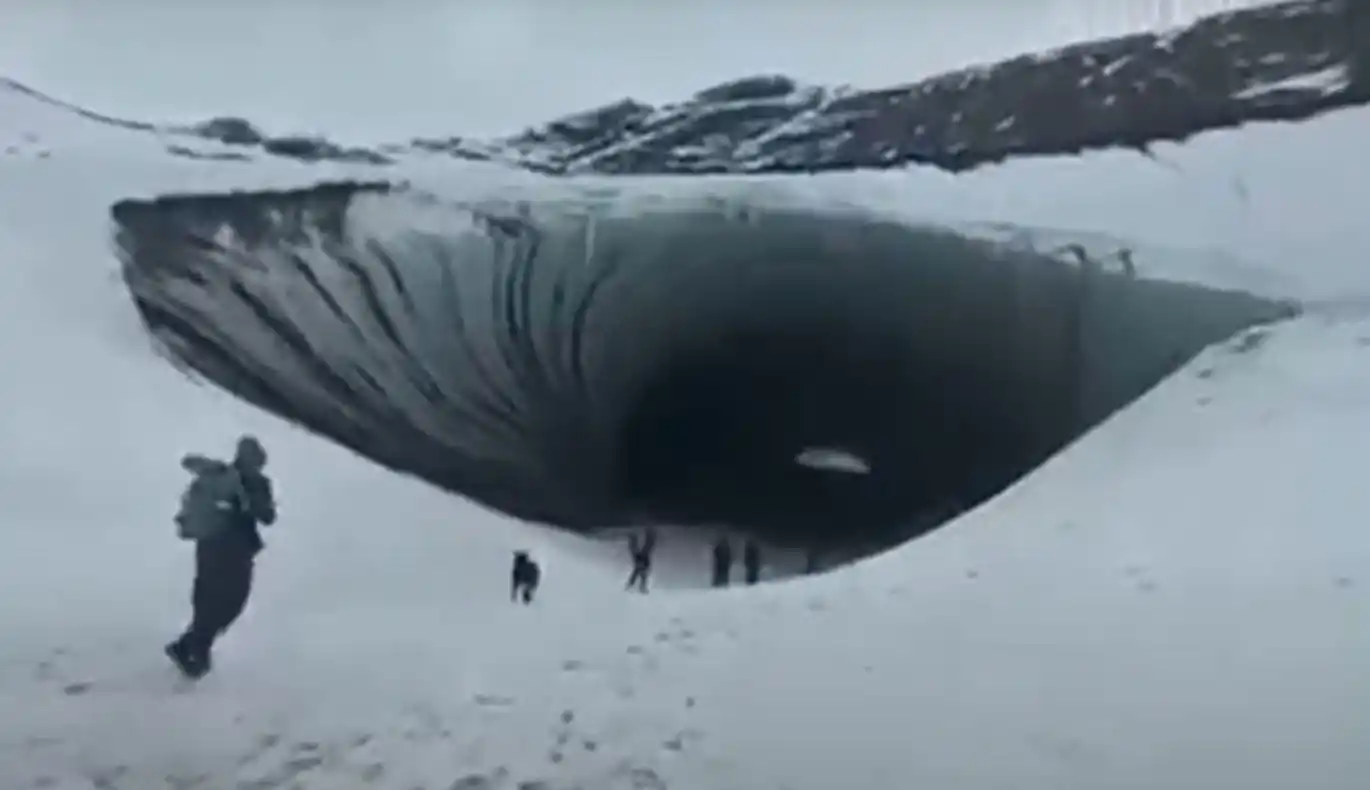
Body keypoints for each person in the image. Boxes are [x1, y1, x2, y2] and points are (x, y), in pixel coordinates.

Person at [165, 435, 276, 679]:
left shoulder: (219, 476)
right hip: (232, 548)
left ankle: (191, 647)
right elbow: (267, 516)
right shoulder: (243, 480)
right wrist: (250, 502)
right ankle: (193, 649)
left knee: (208, 598)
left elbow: (266, 516)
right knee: (231, 600)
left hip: (208, 545)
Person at [624, 528, 657, 594]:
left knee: (638, 548)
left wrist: (629, 585)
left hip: (640, 562)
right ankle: (649, 534)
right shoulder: (642, 571)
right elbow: (634, 577)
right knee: (646, 547)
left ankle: (634, 536)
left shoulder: (638, 571)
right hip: (643, 562)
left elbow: (633, 577)